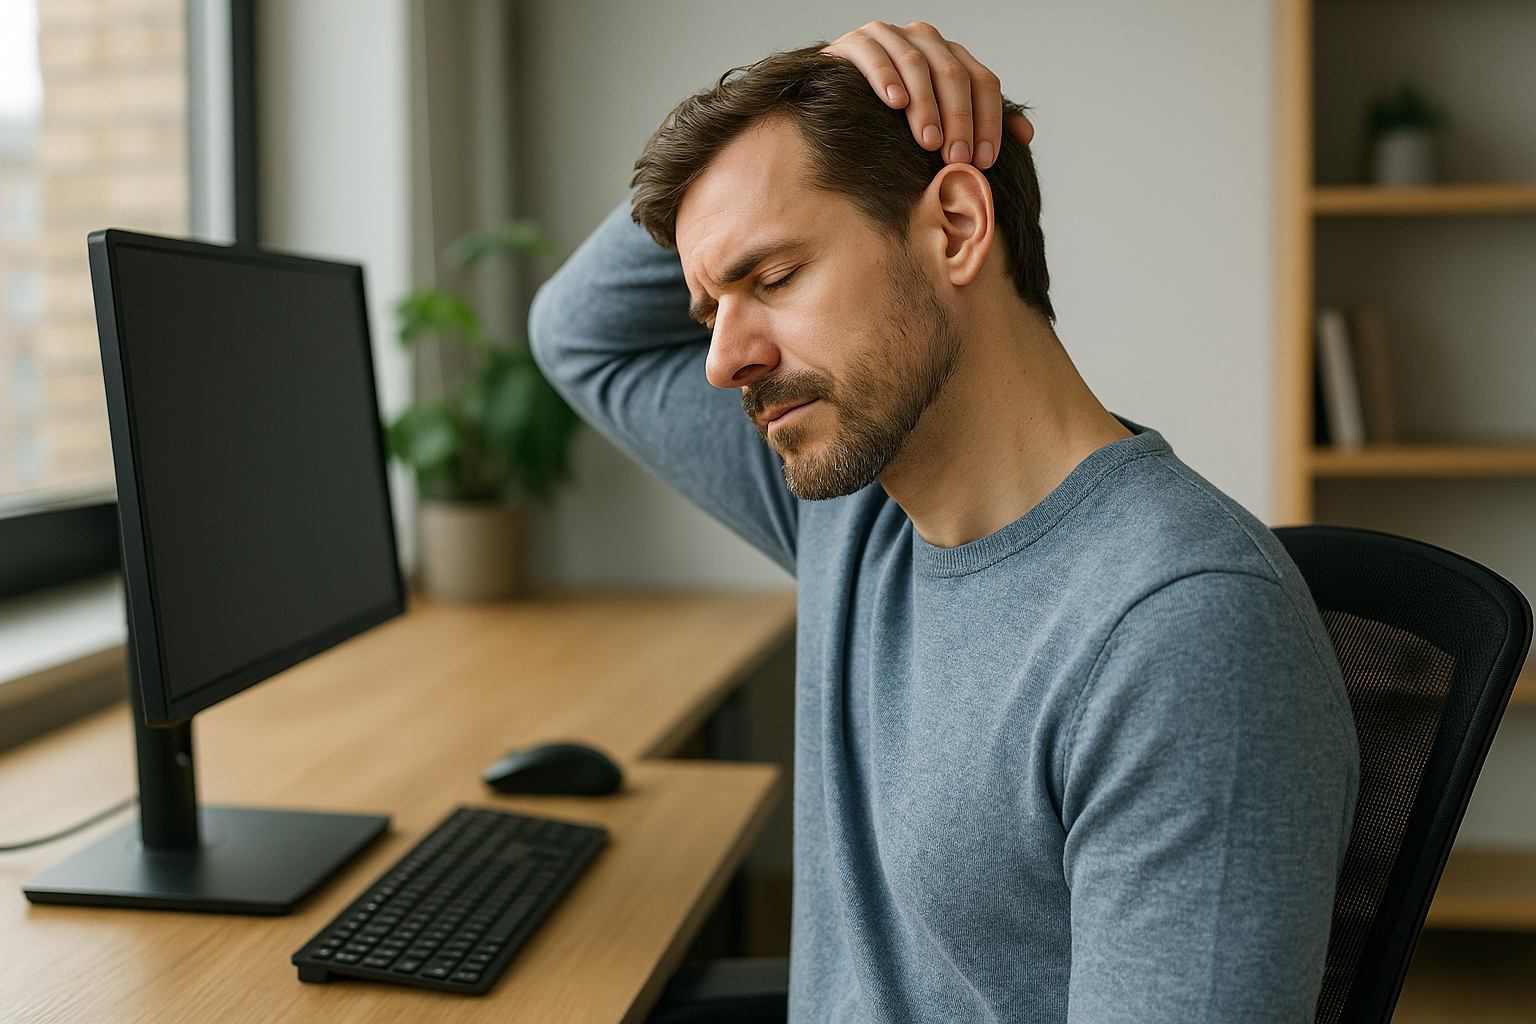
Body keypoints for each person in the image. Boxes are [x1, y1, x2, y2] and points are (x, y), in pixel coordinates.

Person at [529, 22, 1358, 1024]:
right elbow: (578, 336)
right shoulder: (857, 506)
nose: (723, 358)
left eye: (774, 278)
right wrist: (826, 69)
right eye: (709, 309)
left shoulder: (1179, 637)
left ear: (959, 226)